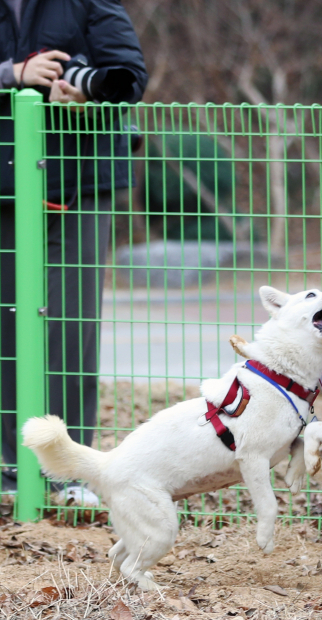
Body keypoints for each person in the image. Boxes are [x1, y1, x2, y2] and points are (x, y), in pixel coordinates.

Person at [0, 0, 147, 500]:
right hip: (4, 182)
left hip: (81, 180)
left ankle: (67, 470)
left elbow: (129, 75)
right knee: (6, 321)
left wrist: (84, 93)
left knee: (71, 325)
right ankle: (10, 469)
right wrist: (13, 73)